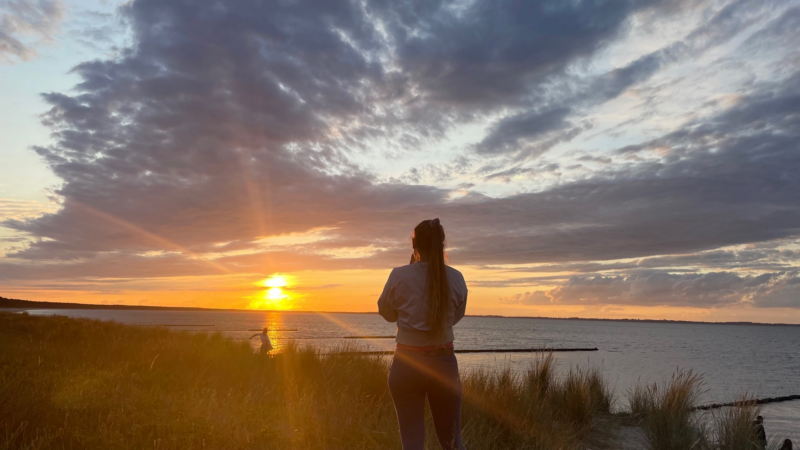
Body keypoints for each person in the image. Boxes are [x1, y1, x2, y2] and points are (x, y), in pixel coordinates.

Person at [378, 218, 468, 450]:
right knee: (452, 443)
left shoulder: (400, 276)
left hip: (407, 364)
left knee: (412, 444)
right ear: (442, 245)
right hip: (444, 363)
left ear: (414, 245)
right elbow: (455, 318)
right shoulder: (456, 278)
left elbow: (386, 312)